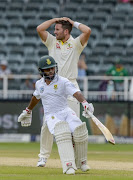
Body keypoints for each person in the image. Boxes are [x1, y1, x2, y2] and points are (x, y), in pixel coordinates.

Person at [18, 56, 94, 175]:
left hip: (65, 111)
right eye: (47, 69)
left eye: (52, 68)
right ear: (41, 71)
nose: (51, 71)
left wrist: (84, 103)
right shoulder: (39, 84)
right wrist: (28, 110)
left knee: (80, 130)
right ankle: (68, 165)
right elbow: (35, 97)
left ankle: (82, 162)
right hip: (52, 115)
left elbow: (76, 93)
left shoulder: (63, 81)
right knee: (62, 132)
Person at [36, 17, 91, 167]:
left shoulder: (76, 44)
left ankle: (78, 160)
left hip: (71, 86)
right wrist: (54, 20)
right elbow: (40, 29)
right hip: (53, 86)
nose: (54, 32)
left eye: (57, 29)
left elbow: (87, 30)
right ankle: (43, 157)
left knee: (76, 127)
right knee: (47, 125)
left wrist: (73, 23)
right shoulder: (52, 42)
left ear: (66, 31)